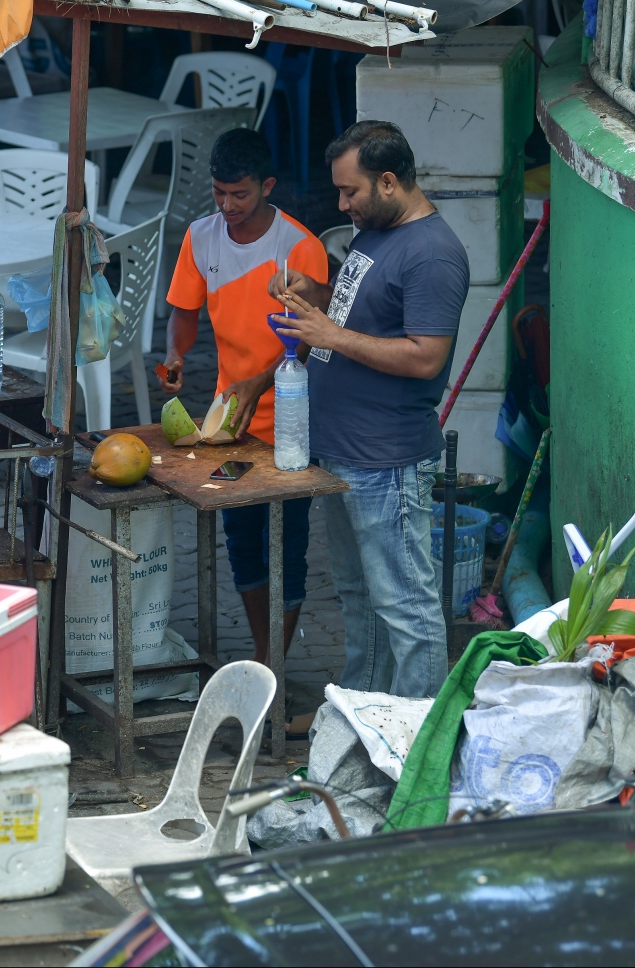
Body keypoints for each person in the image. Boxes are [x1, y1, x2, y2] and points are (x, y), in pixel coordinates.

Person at [270, 120, 469, 699]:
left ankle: (416, 739)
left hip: (388, 463)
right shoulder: (374, 232)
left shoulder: (433, 254)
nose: (341, 203)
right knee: (361, 600)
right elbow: (364, 319)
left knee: (408, 609)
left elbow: (425, 356)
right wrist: (317, 294)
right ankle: (364, 719)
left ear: (388, 182)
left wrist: (328, 335)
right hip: (345, 455)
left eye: (350, 191)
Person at [162, 128, 328, 686]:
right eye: (219, 194)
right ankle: (265, 654)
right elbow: (184, 308)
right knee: (241, 539)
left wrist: (262, 383)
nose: (228, 207)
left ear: (268, 187)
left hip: (291, 425)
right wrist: (176, 354)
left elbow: (312, 336)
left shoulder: (299, 248)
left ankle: (272, 663)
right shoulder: (200, 238)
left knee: (287, 542)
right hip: (229, 429)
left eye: (240, 195)